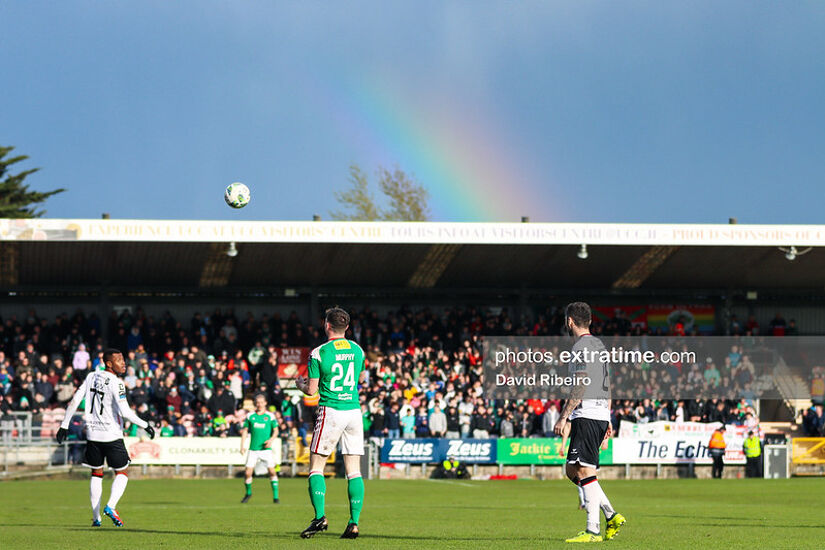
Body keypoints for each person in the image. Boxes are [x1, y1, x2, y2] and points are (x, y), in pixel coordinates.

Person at [56, 348, 155, 527]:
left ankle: (96, 518)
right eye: (119, 360)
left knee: (96, 473)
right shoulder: (117, 383)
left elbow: (75, 400)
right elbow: (125, 412)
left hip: (93, 434)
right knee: (123, 473)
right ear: (109, 363)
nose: (123, 363)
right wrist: (146, 425)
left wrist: (64, 425)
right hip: (112, 436)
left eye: (123, 359)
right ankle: (110, 506)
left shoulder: (91, 376)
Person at [554, 302, 625, 543]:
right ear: (590, 321)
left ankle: (593, 530)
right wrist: (608, 416)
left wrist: (564, 416)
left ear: (570, 321)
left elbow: (581, 383)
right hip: (599, 413)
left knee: (585, 470)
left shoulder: (581, 347)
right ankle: (611, 514)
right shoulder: (599, 346)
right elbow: (608, 382)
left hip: (587, 413)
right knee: (572, 470)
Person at [295, 307, 366, 539]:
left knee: (316, 467)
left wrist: (300, 385)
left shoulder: (318, 352)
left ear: (326, 325)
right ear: (347, 326)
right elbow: (360, 378)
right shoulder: (357, 349)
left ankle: (320, 517)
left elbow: (311, 391)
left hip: (331, 410)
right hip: (354, 410)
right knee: (354, 471)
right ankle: (354, 523)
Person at [240, 393, 280, 503]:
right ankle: (248, 493)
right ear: (255, 404)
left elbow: (276, 430)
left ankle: (275, 497)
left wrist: (271, 440)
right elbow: (245, 431)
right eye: (257, 402)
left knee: (272, 472)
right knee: (248, 473)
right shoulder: (250, 416)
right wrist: (242, 446)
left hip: (265, 449)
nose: (259, 404)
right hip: (253, 449)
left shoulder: (270, 416)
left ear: (265, 403)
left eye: (262, 402)